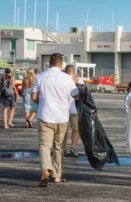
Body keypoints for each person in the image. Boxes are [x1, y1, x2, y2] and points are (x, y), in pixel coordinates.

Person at [32, 53, 79, 187]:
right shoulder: (67, 78)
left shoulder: (40, 76)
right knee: (59, 147)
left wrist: (44, 102)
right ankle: (57, 176)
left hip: (45, 116)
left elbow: (34, 97)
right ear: (61, 63)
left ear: (49, 63)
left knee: (44, 146)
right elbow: (76, 96)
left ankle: (45, 170)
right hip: (62, 117)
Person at [63, 64, 83, 158]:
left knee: (63, 130)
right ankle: (73, 146)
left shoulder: (61, 80)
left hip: (63, 109)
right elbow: (82, 93)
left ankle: (62, 148)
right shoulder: (79, 80)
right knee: (76, 129)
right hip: (75, 109)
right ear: (74, 71)